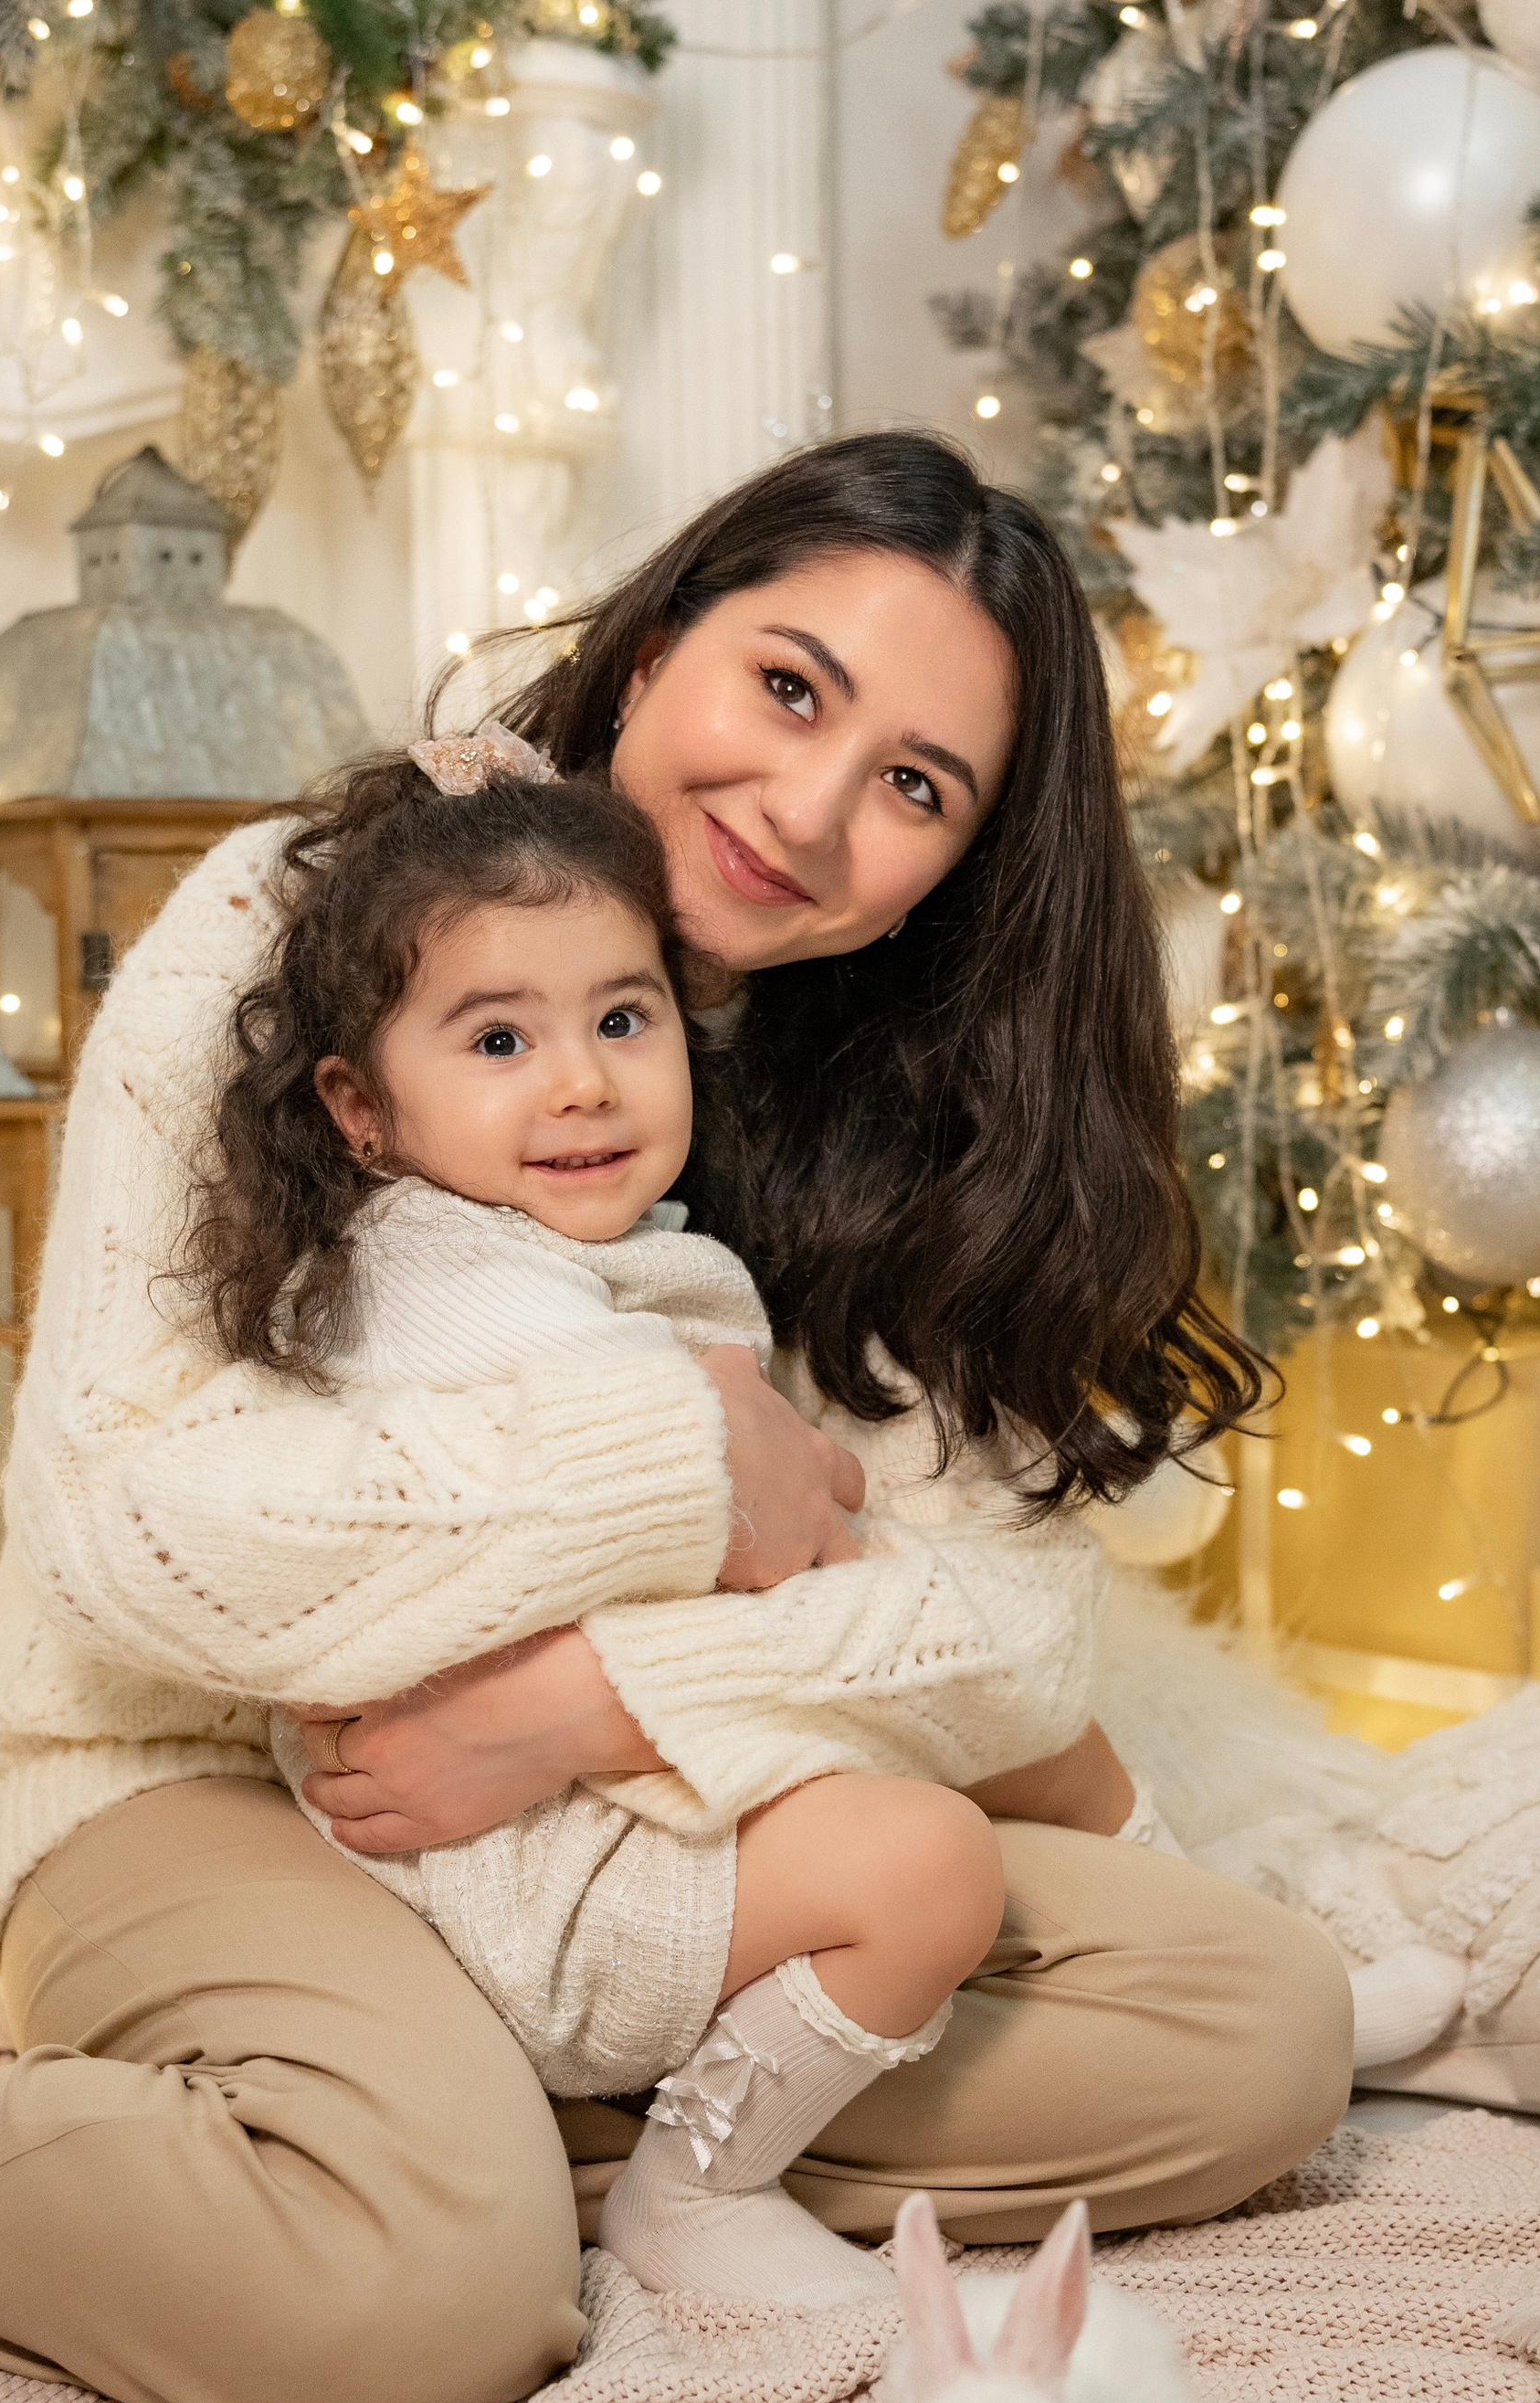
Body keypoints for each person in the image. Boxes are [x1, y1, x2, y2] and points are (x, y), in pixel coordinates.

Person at [0, 433, 1352, 2403]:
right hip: (194, 1774)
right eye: (786, 688)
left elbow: (1000, 1637)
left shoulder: (926, 1095)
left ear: (959, 863)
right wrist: (671, 1462)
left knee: (1251, 2028)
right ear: (653, 652)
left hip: (620, 1815)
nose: (806, 810)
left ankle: (390, 2145)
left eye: (911, 787)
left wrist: (577, 1707)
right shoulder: (293, 923)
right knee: (416, 2314)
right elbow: (130, 1529)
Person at [206, 719, 1170, 2309]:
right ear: (361, 1110)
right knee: (929, 1862)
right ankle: (698, 2189)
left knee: (1026, 1732)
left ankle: (1216, 1905)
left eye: (622, 1016)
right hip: (523, 1871)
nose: (582, 1079)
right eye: (498, 1042)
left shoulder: (619, 1249)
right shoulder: (442, 1279)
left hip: (618, 1779)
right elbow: (739, 1533)